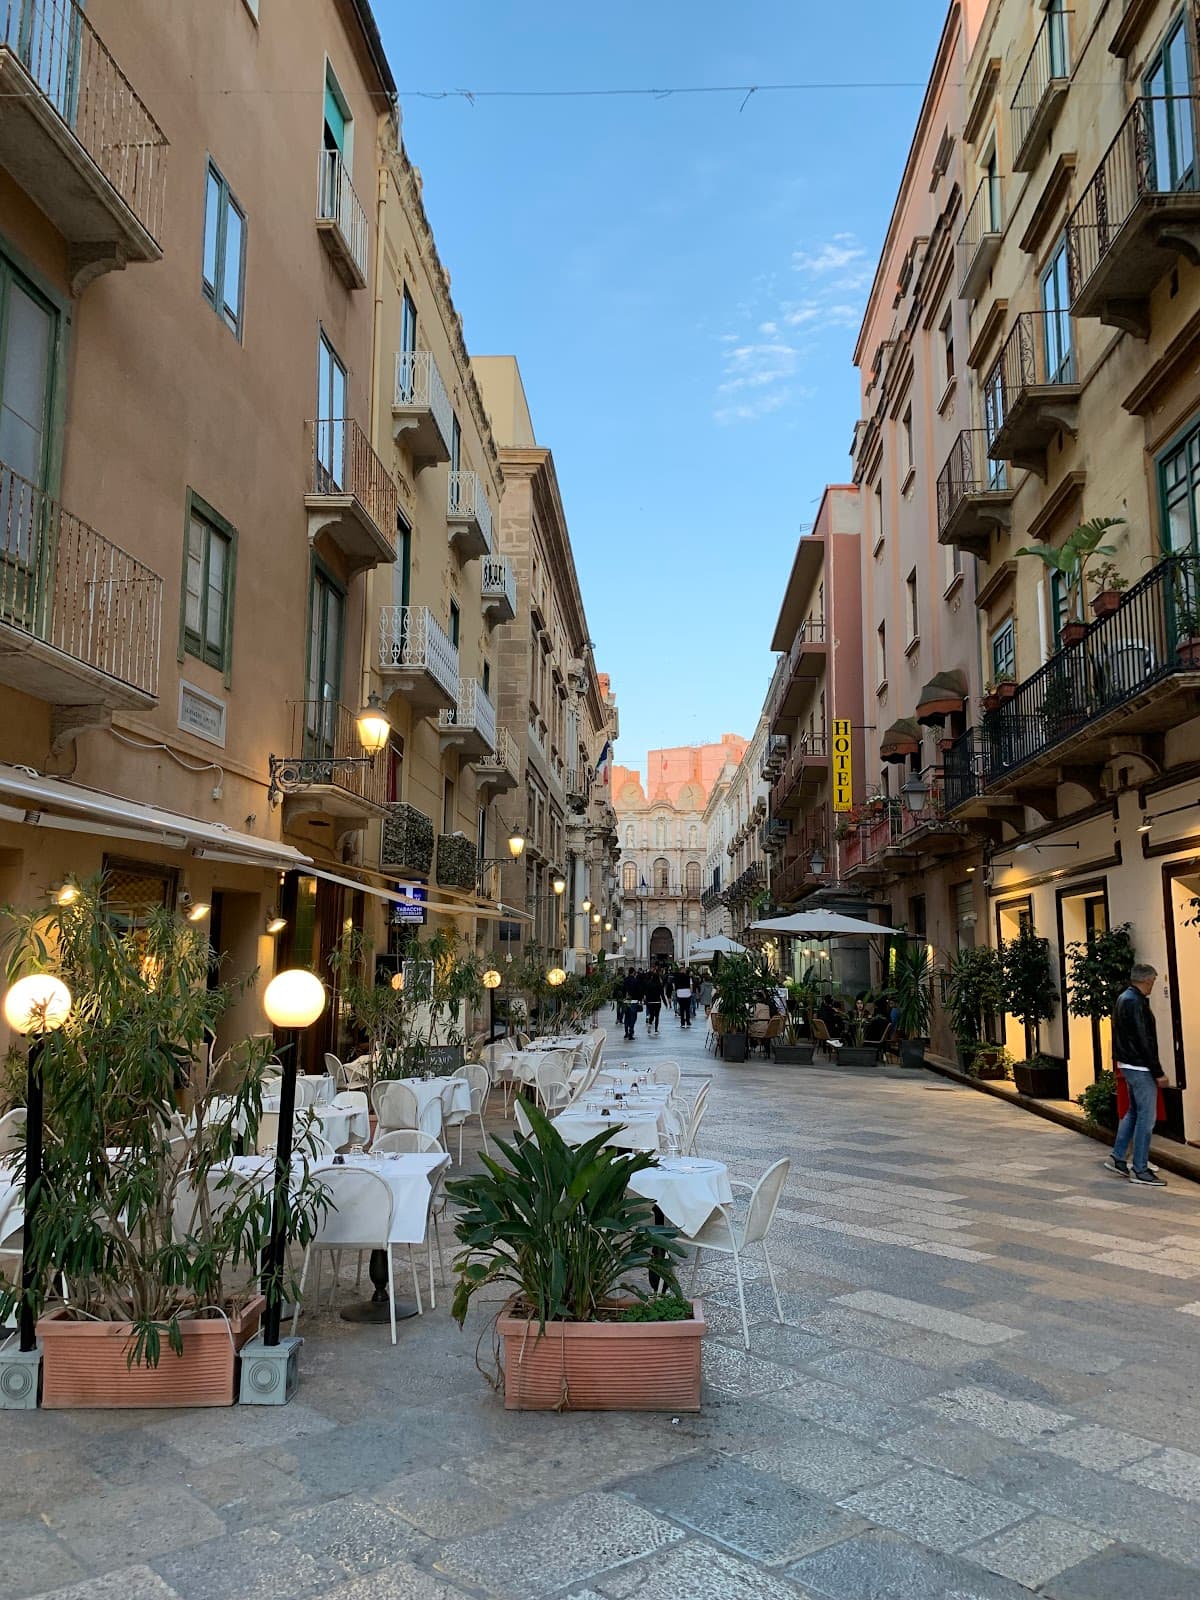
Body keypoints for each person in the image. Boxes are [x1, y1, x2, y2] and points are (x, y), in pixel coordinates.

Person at [1106, 962, 1168, 1186]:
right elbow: (1144, 1039)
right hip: (1140, 1066)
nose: (1153, 985)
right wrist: (1158, 1071)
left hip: (1127, 1063)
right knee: (1146, 1117)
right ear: (1146, 980)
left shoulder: (1124, 998)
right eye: (1152, 981)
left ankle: (1118, 1157)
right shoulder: (1136, 1002)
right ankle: (1140, 1168)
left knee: (1132, 1112)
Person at [619, 970, 641, 1042]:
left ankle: (626, 1032)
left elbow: (622, 990)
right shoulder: (636, 981)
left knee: (627, 1016)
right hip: (634, 1001)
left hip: (626, 1001)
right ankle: (631, 1031)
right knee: (633, 1017)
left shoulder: (624, 980)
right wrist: (639, 1000)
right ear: (633, 973)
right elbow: (638, 991)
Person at [642, 968, 663, 1035]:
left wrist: (646, 1000)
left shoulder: (649, 983)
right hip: (657, 1002)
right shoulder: (659, 984)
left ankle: (649, 1025)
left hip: (650, 1002)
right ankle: (656, 1030)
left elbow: (646, 992)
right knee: (657, 1016)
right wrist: (665, 1003)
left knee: (651, 1015)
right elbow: (662, 994)